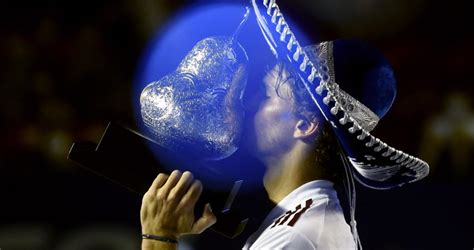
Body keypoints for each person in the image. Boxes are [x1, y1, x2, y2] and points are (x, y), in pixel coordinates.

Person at [139, 38, 429, 249]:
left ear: (304, 125)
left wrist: (159, 238)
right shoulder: (303, 223)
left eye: (265, 96)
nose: (246, 102)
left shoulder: (298, 237)